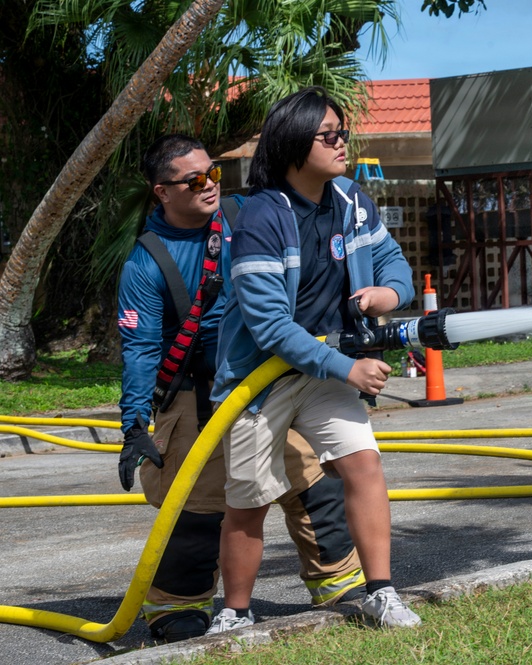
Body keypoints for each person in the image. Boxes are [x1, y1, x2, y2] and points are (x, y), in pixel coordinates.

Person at [117, 134, 365, 643]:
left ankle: (339, 582)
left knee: (312, 484)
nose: (210, 186)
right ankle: (176, 607)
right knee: (197, 507)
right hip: (195, 393)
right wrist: (133, 425)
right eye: (195, 180)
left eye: (214, 173)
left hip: (267, 381)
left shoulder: (248, 215)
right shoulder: (146, 263)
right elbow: (140, 349)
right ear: (161, 192)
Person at [210, 86, 421, 631]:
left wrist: (388, 295)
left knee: (364, 464)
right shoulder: (260, 217)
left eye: (342, 131)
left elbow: (393, 260)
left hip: (327, 368)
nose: (341, 142)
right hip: (261, 379)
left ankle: (381, 592)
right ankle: (234, 612)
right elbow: (270, 326)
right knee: (250, 499)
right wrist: (349, 368)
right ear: (292, 145)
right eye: (328, 135)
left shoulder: (352, 199)